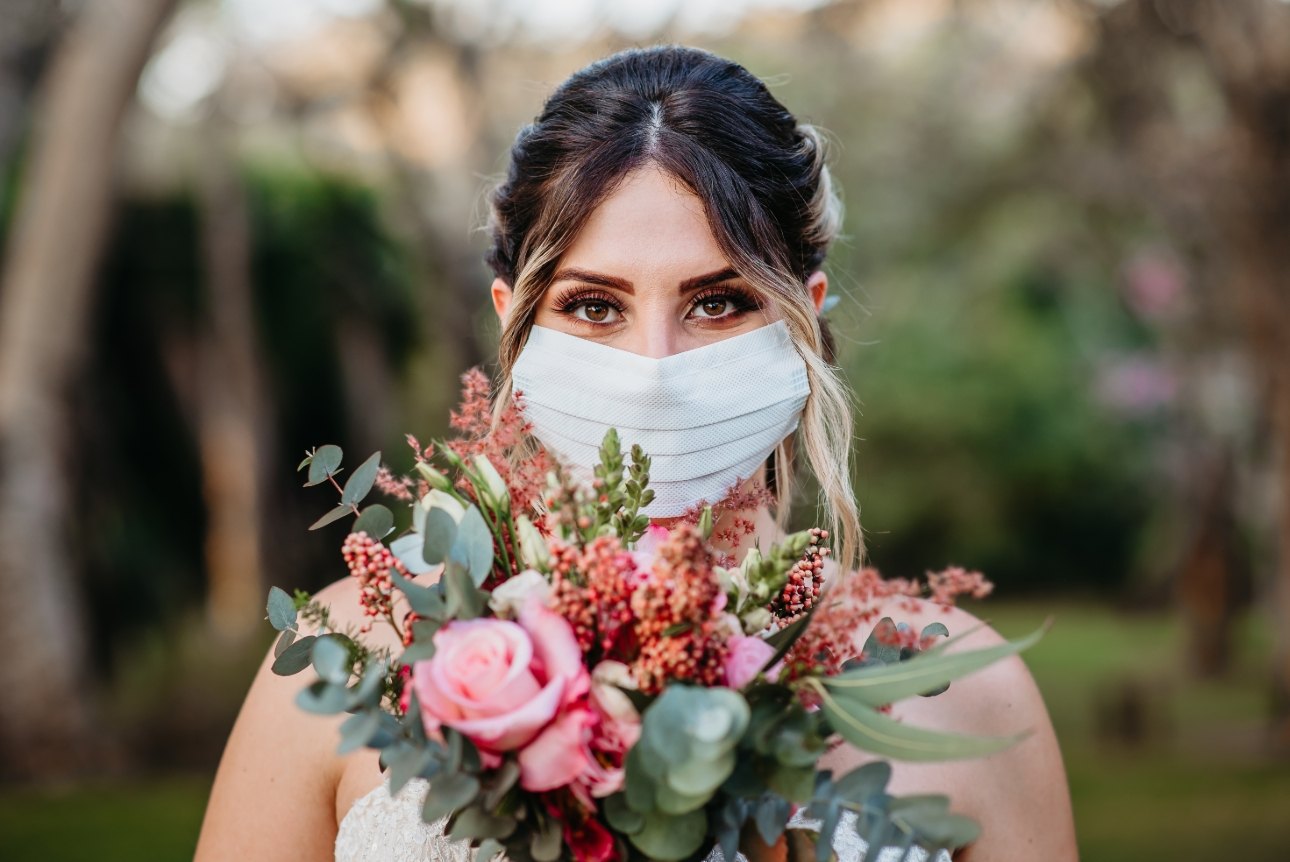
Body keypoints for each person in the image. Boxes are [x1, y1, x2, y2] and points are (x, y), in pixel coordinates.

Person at [194, 44, 1078, 862]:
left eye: (720, 302)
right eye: (593, 306)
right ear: (514, 321)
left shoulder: (964, 691)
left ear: (805, 316)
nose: (654, 370)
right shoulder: (352, 657)